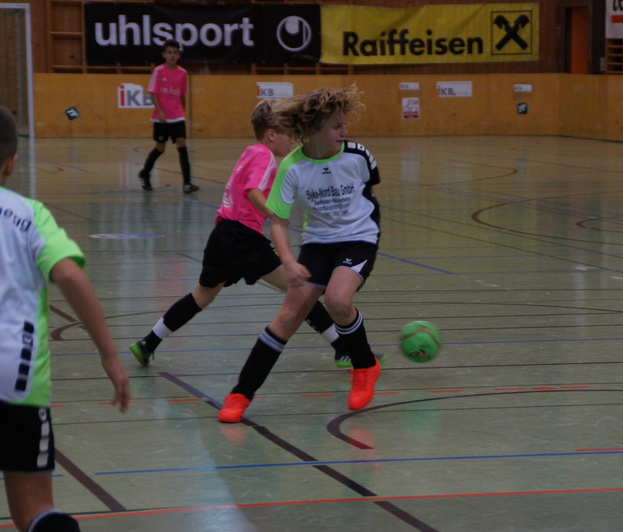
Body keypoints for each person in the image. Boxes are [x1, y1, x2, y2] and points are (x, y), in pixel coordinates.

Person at [130, 99, 366, 369]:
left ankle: (148, 343)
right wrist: (274, 215)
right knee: (301, 289)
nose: (292, 140)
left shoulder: (250, 153)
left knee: (202, 296)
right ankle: (342, 348)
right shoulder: (264, 156)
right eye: (288, 134)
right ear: (272, 134)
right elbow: (252, 190)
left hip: (222, 235)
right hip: (244, 238)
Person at [218, 85, 382, 422]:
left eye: (344, 125)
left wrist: (365, 230)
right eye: (336, 126)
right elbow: (278, 221)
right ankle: (240, 394)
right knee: (287, 317)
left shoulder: (359, 156)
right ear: (314, 129)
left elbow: (372, 195)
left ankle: (365, 366)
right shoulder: (292, 167)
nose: (344, 132)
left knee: (337, 300)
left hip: (358, 238)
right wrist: (289, 261)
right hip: (317, 243)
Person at [0, 106, 130, 532]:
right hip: (17, 381)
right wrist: (109, 356)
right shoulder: (29, 214)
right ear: (11, 163)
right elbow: (71, 275)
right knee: (35, 513)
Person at [137, 39, 199, 194]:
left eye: (175, 52)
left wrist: (182, 114)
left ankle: (187, 183)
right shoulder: (159, 71)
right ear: (164, 55)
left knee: (181, 144)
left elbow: (182, 95)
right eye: (169, 52)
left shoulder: (183, 73)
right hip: (162, 118)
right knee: (160, 147)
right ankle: (144, 173)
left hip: (177, 116)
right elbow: (153, 93)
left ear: (179, 55)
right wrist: (160, 112)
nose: (172, 55)